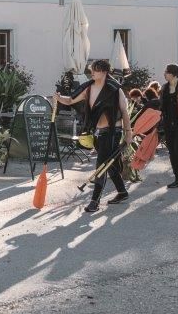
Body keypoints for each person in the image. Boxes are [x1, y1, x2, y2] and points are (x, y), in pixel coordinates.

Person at [55, 59, 133, 212]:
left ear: (104, 72)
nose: (92, 72)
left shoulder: (115, 89)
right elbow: (70, 100)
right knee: (109, 164)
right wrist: (59, 98)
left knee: (101, 166)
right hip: (97, 132)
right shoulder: (88, 88)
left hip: (112, 132)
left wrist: (128, 133)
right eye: (91, 69)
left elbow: (124, 111)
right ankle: (122, 192)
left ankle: (94, 201)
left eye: (95, 70)